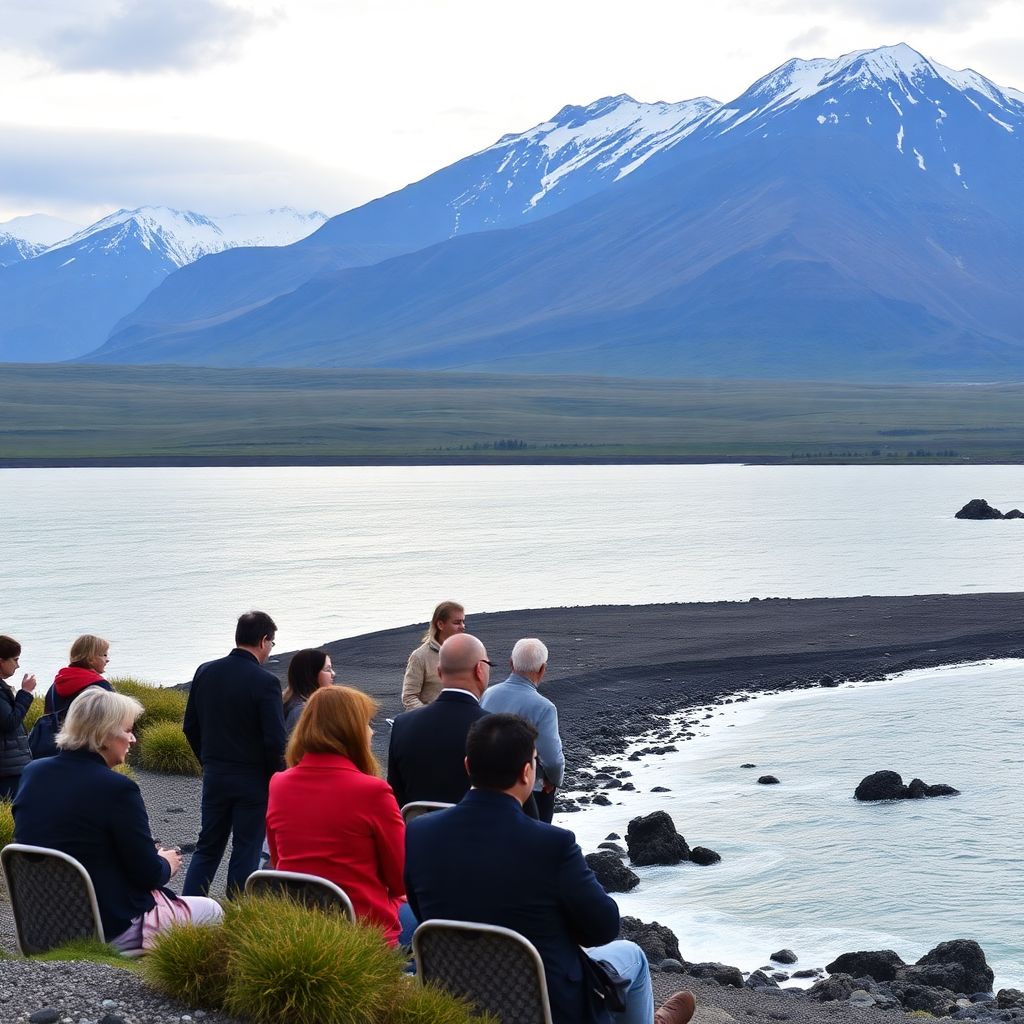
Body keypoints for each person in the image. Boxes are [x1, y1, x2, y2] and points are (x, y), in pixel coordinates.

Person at [404, 714, 696, 1024]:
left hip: (456, 999)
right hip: (548, 1008)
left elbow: (421, 911)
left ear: (467, 766)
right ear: (527, 772)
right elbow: (604, 927)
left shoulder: (419, 832)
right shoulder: (552, 845)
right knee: (632, 955)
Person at [13, 688, 222, 949]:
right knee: (211, 909)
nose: (132, 739)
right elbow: (148, 874)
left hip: (44, 925)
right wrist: (166, 863)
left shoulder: (34, 772)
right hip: (107, 927)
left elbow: (71, 842)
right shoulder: (117, 788)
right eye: (127, 730)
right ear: (104, 734)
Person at [266, 686, 415, 946]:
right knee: (430, 914)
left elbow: (280, 863)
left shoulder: (279, 783)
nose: (372, 731)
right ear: (351, 731)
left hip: (300, 926)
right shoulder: (372, 791)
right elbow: (400, 880)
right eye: (367, 723)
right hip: (362, 933)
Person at [182, 610, 286, 897]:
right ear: (264, 640)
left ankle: (189, 909)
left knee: (208, 846)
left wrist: (207, 760)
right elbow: (275, 741)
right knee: (246, 848)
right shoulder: (266, 682)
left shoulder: (205, 671)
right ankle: (237, 914)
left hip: (215, 774)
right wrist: (275, 776)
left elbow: (190, 725)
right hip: (253, 779)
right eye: (272, 643)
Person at [387, 632, 489, 810]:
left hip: (416, 833)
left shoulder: (402, 725)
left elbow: (395, 799)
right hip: (477, 834)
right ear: (479, 670)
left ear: (440, 673)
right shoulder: (497, 729)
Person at [480, 637, 565, 822]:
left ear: (511, 663)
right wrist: (554, 780)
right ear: (543, 669)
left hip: (487, 786)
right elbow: (552, 759)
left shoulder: (488, 694)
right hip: (529, 792)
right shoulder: (544, 707)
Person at [401, 600, 465, 709]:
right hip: (431, 722)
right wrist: (430, 716)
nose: (463, 626)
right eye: (457, 622)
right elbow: (409, 697)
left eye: (463, 622)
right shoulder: (420, 656)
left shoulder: (467, 652)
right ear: (440, 624)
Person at [0, 635, 36, 800]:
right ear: (1, 661)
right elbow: (9, 722)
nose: (18, 665)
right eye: (15, 659)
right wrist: (25, 693)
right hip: (8, 768)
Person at [282, 649, 336, 734]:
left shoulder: (294, 702)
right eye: (327, 669)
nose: (333, 673)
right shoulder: (302, 711)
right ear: (311, 674)